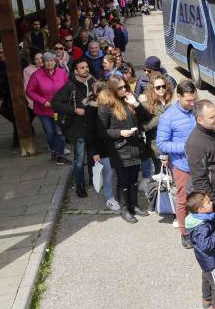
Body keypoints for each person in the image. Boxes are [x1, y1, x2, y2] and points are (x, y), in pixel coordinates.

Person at [97, 75, 153, 223]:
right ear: (113, 89)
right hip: (119, 149)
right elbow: (102, 131)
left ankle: (134, 205)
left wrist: (136, 104)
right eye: (120, 88)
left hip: (135, 145)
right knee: (123, 180)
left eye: (125, 86)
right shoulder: (106, 105)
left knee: (134, 178)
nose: (124, 90)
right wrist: (121, 133)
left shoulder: (129, 98)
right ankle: (124, 209)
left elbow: (147, 117)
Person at [156, 79, 197, 248]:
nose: (192, 103)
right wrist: (185, 147)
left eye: (194, 99)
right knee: (183, 200)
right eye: (188, 100)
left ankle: (199, 227)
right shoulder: (168, 116)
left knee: (200, 198)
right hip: (182, 166)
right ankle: (185, 232)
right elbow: (162, 143)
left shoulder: (196, 109)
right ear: (178, 96)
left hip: (200, 164)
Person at [186, 100, 215, 232]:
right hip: (214, 200)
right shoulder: (195, 144)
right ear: (200, 120)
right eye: (211, 117)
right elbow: (200, 182)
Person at [52, 58, 96, 198]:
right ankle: (80, 186)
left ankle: (93, 179)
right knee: (79, 159)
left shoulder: (92, 82)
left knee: (92, 156)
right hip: (77, 129)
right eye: (82, 68)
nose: (86, 69)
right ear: (76, 71)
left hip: (91, 126)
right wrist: (75, 110)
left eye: (87, 67)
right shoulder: (70, 86)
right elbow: (55, 103)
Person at [25, 51, 70, 165]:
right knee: (50, 132)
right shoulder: (37, 75)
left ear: (55, 62)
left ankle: (60, 155)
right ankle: (53, 150)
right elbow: (29, 91)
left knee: (59, 132)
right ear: (43, 63)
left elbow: (68, 87)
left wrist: (64, 101)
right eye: (46, 61)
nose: (49, 63)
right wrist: (43, 101)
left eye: (51, 61)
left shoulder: (62, 73)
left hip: (58, 109)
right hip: (43, 110)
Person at [84, 81, 120, 211]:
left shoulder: (109, 105)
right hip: (102, 148)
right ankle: (109, 198)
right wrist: (94, 152)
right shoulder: (91, 109)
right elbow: (90, 132)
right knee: (108, 174)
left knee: (113, 173)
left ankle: (116, 195)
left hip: (112, 145)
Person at [139, 72, 174, 180]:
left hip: (173, 143)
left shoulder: (171, 101)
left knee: (172, 175)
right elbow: (143, 126)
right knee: (162, 176)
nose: (161, 89)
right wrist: (160, 119)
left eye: (163, 86)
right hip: (157, 146)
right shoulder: (147, 105)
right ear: (152, 89)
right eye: (158, 87)